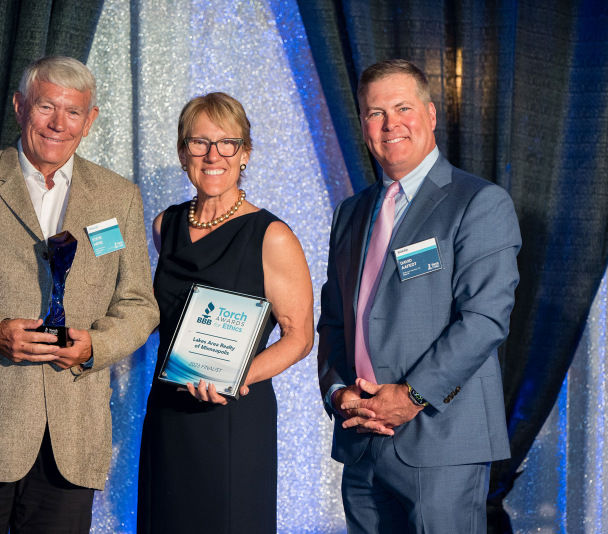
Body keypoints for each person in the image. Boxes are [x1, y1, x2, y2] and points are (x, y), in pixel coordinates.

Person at [0, 56, 159, 533]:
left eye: (73, 112)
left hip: (72, 440)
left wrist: (96, 346)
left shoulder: (118, 196)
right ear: (19, 107)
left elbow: (139, 304)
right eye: (46, 107)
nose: (59, 123)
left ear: (91, 120)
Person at [317, 59, 521, 533]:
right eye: (375, 113)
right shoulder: (350, 212)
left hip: (440, 441)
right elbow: (334, 321)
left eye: (403, 107)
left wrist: (412, 396)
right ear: (364, 125)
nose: (391, 124)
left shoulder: (478, 202)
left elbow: (485, 319)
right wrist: (337, 391)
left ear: (430, 115)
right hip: (361, 440)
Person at [137, 92, 314, 533]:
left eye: (227, 143)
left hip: (232, 415)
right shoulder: (166, 226)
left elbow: (299, 337)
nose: (213, 155)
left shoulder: (271, 236)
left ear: (245, 153)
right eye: (199, 143)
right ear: (183, 154)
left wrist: (235, 378)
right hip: (169, 413)